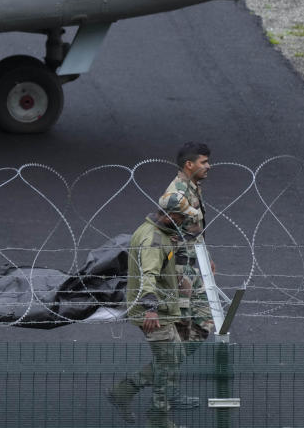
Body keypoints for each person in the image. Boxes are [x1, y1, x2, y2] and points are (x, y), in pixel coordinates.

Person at [107, 208, 187, 428]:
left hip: (162, 310)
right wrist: (150, 308)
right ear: (167, 214)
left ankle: (122, 392)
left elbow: (163, 261)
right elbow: (148, 275)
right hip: (155, 314)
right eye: (182, 217)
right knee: (166, 367)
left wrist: (173, 244)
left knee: (176, 357)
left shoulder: (154, 231)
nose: (186, 220)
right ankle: (158, 420)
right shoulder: (154, 241)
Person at [157, 142, 214, 410]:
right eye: (203, 162)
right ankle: (163, 395)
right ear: (189, 165)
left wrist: (206, 256)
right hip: (179, 271)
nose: (208, 166)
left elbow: (194, 231)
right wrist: (187, 209)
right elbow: (166, 203)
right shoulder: (178, 190)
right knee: (179, 331)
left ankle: (153, 378)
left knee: (203, 324)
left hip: (194, 264)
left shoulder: (194, 187)